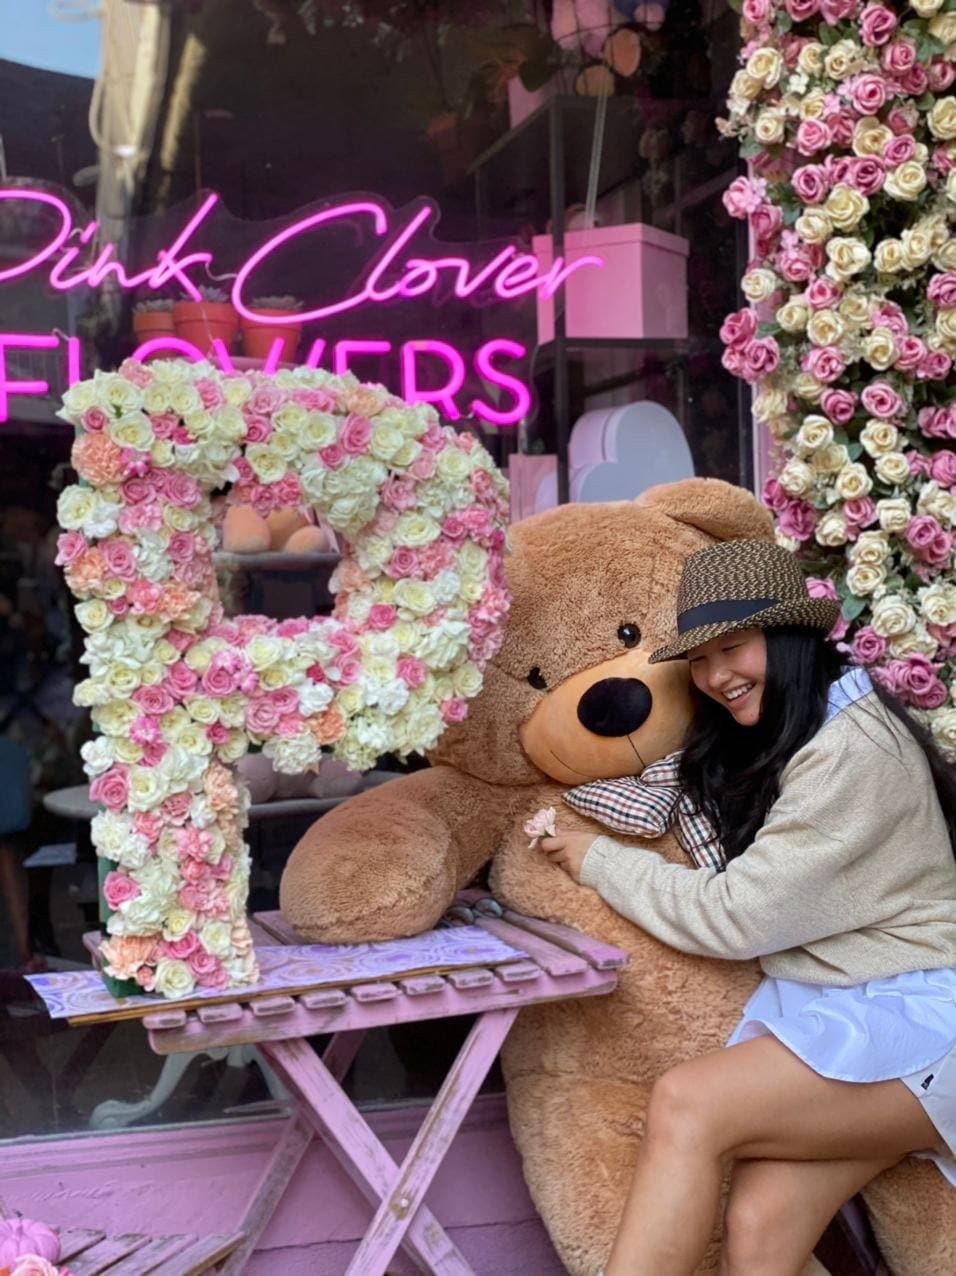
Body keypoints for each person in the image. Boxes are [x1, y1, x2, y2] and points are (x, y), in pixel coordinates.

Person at [538, 538, 956, 1276]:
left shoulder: (854, 752)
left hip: (929, 1023)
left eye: (733, 648)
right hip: (861, 1009)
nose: (715, 677)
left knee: (688, 1103)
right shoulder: (815, 728)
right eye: (699, 659)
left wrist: (597, 859)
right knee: (761, 1227)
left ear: (790, 639)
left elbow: (737, 916)